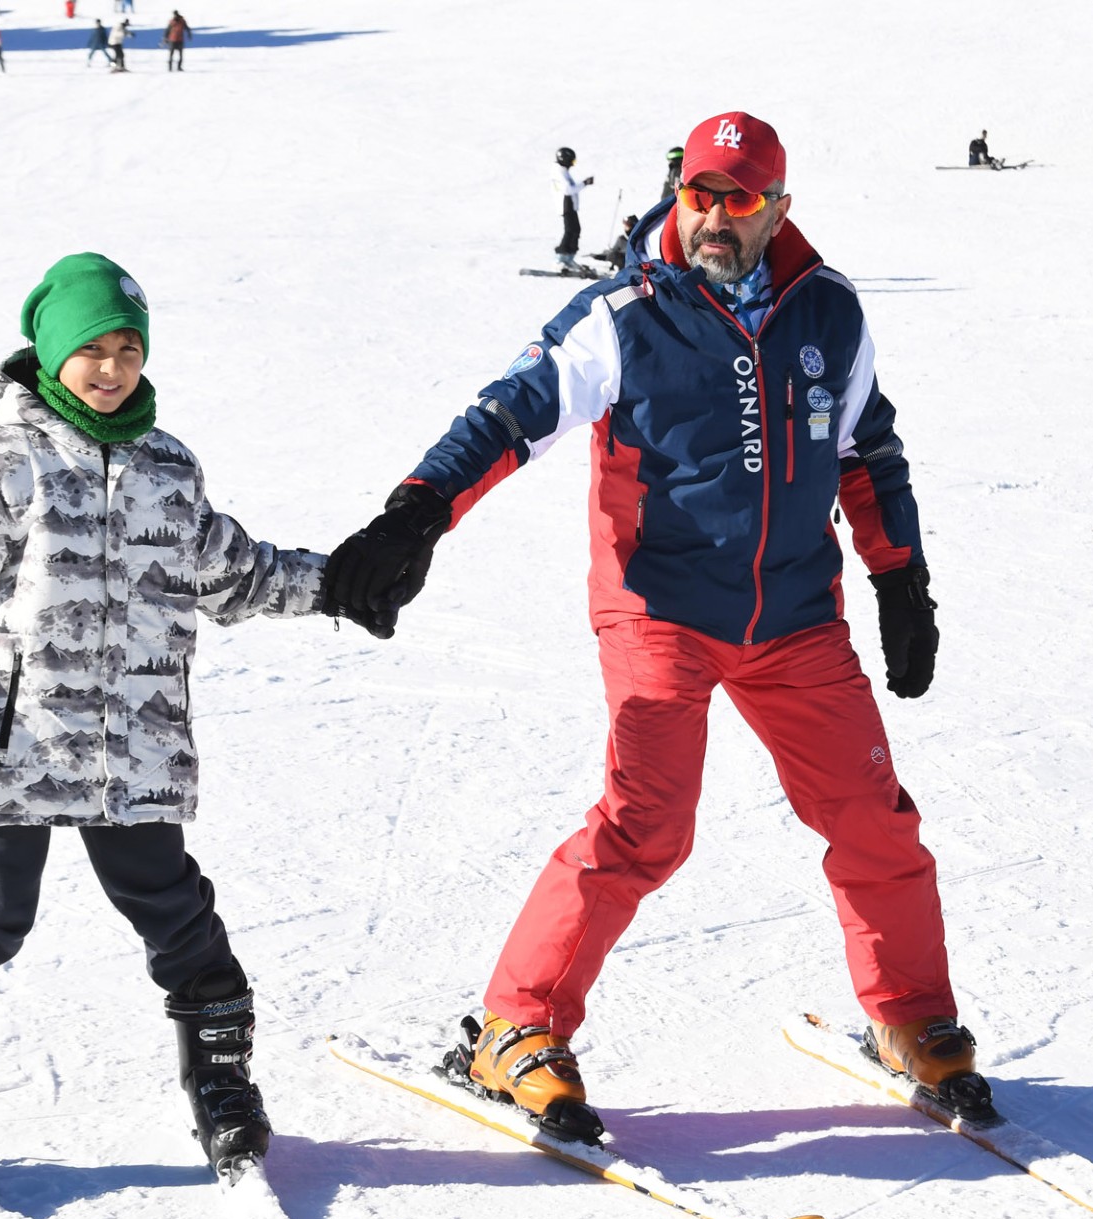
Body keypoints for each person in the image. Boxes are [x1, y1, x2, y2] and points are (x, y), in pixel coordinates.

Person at [323, 110, 985, 1142]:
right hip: (660, 606)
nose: (717, 218)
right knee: (646, 823)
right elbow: (509, 415)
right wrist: (418, 512)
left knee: (873, 817)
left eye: (741, 199)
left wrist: (900, 575)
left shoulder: (831, 316)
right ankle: (516, 1028)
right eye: (701, 196)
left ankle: (911, 1018)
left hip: (797, 613)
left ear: (779, 208)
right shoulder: (624, 313)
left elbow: (865, 448)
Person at [0, 253, 362, 1194]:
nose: (111, 368)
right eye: (91, 351)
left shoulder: (168, 467)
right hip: (13, 747)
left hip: (138, 749)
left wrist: (342, 584)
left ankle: (223, 1083)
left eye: (127, 349)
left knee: (176, 914)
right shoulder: (4, 464)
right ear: (50, 352)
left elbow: (234, 574)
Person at [551, 146, 594, 274]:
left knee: (576, 230)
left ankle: (569, 259)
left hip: (570, 205)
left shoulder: (562, 171)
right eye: (572, 162)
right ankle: (559, 260)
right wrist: (584, 183)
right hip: (566, 205)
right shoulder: (558, 172)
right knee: (570, 231)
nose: (572, 165)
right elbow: (568, 190)